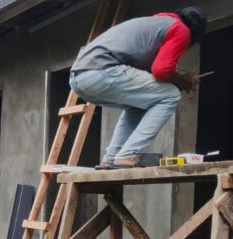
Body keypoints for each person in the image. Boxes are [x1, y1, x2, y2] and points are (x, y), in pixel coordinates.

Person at [69, 7, 207, 169]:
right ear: (195, 35)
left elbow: (154, 72)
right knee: (170, 95)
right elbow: (162, 70)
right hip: (102, 70)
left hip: (79, 78)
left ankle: (112, 157)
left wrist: (178, 77)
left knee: (138, 105)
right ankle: (128, 154)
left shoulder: (155, 24)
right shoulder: (181, 30)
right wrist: (183, 81)